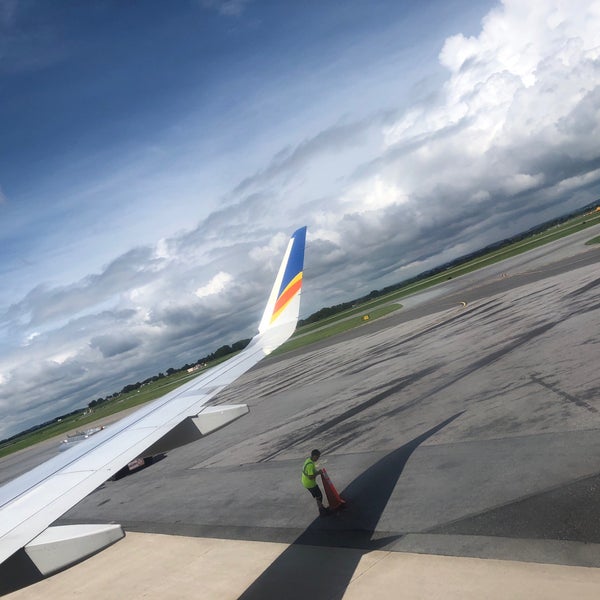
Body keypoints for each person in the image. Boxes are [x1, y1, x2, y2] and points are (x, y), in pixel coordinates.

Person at [301, 449, 329, 516]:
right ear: (314, 456)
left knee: (318, 495)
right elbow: (311, 477)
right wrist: (318, 473)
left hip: (305, 482)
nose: (318, 458)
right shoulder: (310, 465)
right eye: (317, 457)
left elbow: (310, 473)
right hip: (310, 483)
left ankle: (321, 508)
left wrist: (317, 472)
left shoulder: (309, 460)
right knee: (319, 496)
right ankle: (321, 511)